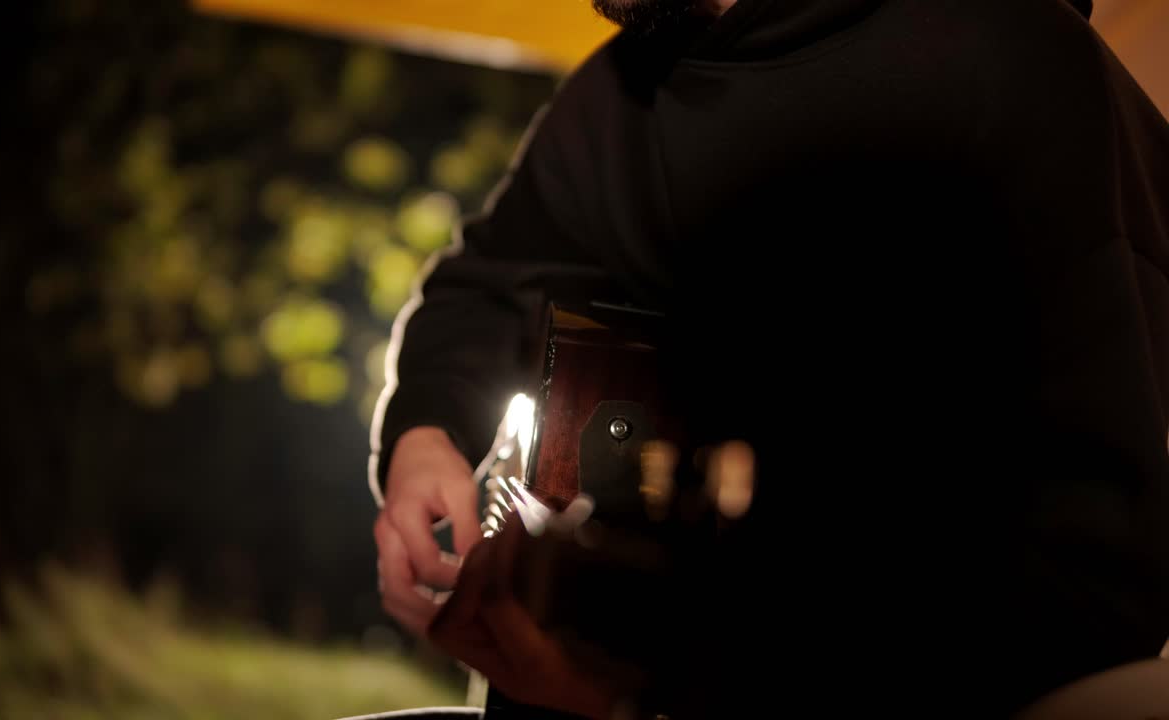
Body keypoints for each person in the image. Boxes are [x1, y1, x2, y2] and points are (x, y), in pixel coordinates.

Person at [367, 0, 1169, 717]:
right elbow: (484, 284)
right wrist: (426, 434)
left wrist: (645, 689)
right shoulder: (623, 91)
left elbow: (1079, 580)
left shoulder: (1019, 60)